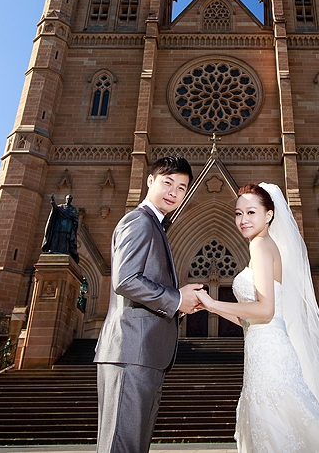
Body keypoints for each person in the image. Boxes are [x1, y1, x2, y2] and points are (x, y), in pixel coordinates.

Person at [196, 183, 319, 453]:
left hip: (269, 354)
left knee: (275, 423)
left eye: (251, 212)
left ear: (269, 215)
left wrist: (214, 301)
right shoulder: (264, 245)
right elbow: (253, 320)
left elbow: (265, 310)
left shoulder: (261, 245)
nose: (243, 219)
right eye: (238, 213)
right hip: (264, 346)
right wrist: (212, 308)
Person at [93, 156, 205, 453]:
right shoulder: (139, 221)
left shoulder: (155, 225)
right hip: (131, 351)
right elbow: (125, 280)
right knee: (122, 445)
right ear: (150, 181)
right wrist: (177, 299)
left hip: (145, 355)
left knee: (133, 445)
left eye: (181, 188)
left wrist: (181, 301)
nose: (174, 192)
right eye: (168, 183)